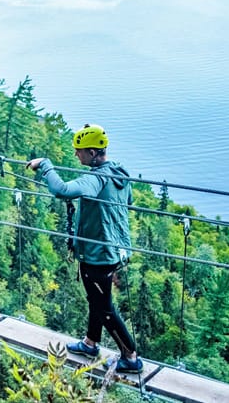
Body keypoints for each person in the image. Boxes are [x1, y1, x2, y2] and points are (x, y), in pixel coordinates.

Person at [27, 124, 143, 374]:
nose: (76, 155)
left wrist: (46, 165)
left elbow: (62, 190)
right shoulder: (118, 173)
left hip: (98, 254)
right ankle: (91, 343)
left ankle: (130, 356)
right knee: (96, 298)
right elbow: (129, 201)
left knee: (104, 306)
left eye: (79, 151)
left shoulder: (96, 178)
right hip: (114, 248)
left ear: (92, 152)